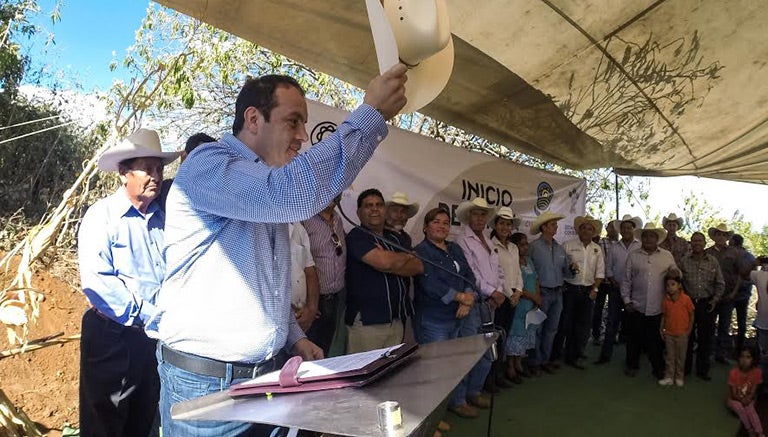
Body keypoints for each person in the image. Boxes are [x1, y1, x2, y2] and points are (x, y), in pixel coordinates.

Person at [150, 66, 409, 436]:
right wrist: (371, 114)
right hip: (207, 386)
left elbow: (263, 285)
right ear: (253, 119)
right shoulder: (208, 164)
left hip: (263, 379)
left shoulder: (261, 188)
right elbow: (291, 192)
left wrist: (294, 336)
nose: (303, 136)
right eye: (293, 122)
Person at [77, 128, 180, 436]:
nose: (156, 176)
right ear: (124, 173)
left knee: (143, 416)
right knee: (104, 422)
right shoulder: (102, 217)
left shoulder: (164, 217)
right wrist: (151, 316)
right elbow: (99, 282)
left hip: (152, 338)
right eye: (147, 169)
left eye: (159, 169)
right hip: (113, 337)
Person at [412, 207, 487, 419]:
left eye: (445, 223)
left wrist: (468, 297)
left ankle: (457, 402)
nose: (441, 226)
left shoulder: (454, 248)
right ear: (425, 227)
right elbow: (429, 283)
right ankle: (433, 417)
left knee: (456, 364)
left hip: (459, 316)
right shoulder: (420, 251)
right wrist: (459, 297)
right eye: (436, 222)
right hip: (434, 319)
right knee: (434, 370)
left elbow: (469, 275)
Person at [345, 188, 422, 353]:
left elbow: (418, 266)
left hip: (396, 318)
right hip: (368, 321)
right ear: (359, 212)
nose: (374, 209)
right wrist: (406, 256)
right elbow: (384, 262)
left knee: (391, 372)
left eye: (379, 205)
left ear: (384, 210)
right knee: (365, 373)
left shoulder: (396, 237)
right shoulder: (356, 236)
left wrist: (392, 261)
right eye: (368, 205)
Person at [455, 197, 505, 394]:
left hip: (490, 304)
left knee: (485, 350)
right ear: (468, 216)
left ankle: (475, 391)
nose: (479, 218)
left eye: (483, 214)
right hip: (475, 303)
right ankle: (462, 398)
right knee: (469, 352)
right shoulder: (462, 240)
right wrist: (493, 292)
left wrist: (499, 291)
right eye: (475, 214)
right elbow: (471, 273)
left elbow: (499, 270)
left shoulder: (489, 240)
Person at [622, 223, 678, 379]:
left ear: (657, 238)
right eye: (645, 236)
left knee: (656, 341)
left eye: (652, 236)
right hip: (637, 306)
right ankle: (631, 365)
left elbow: (676, 274)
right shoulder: (633, 255)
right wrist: (627, 301)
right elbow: (626, 280)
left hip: (658, 307)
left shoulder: (667, 255)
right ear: (642, 238)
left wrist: (675, 272)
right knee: (633, 339)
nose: (648, 239)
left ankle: (658, 368)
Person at [556, 215, 604, 369]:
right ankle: (566, 354)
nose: (586, 231)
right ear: (578, 230)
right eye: (583, 228)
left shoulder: (597, 249)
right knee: (567, 323)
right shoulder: (567, 245)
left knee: (584, 325)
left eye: (590, 229)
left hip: (588, 291)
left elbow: (600, 273)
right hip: (570, 290)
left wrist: (595, 289)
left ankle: (578, 353)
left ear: (593, 232)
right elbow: (560, 268)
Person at [302, 195, 347, 356]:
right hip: (314, 302)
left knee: (325, 352)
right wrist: (309, 303)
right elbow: (298, 262)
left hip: (336, 298)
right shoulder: (304, 219)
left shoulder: (337, 219)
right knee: (310, 354)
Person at [528, 211, 570, 375]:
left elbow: (567, 271)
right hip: (542, 293)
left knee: (552, 329)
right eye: (552, 224)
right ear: (544, 227)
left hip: (558, 293)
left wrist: (572, 269)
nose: (556, 226)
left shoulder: (560, 248)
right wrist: (535, 294)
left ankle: (545, 360)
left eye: (555, 224)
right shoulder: (533, 247)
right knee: (537, 329)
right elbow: (528, 271)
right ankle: (534, 362)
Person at [678, 231, 724, 380]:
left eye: (700, 241)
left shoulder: (713, 261)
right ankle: (685, 369)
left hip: (706, 304)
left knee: (706, 338)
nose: (697, 243)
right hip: (688, 304)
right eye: (694, 241)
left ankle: (702, 370)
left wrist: (715, 300)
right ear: (690, 243)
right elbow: (678, 282)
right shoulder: (684, 261)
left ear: (705, 244)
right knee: (688, 337)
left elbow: (720, 283)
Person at [595, 215, 641, 364]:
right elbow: (608, 268)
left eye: (629, 228)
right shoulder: (614, 248)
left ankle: (633, 359)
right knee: (612, 323)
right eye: (624, 228)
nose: (626, 230)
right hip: (616, 290)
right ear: (620, 230)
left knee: (634, 326)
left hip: (635, 292)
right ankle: (605, 356)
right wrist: (615, 282)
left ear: (633, 229)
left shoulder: (639, 246)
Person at [489, 206, 524, 387]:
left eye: (508, 224)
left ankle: (500, 375)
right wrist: (508, 294)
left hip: (512, 298)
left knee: (505, 337)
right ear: (495, 225)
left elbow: (517, 272)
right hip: (498, 298)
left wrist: (518, 291)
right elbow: (493, 274)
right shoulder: (490, 245)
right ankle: (490, 378)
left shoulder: (513, 247)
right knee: (494, 339)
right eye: (501, 223)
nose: (505, 227)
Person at [505, 232, 542, 383]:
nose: (525, 247)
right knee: (515, 334)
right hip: (519, 303)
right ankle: (510, 366)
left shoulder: (529, 261)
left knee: (526, 334)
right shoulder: (513, 262)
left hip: (531, 305)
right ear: (515, 246)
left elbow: (536, 280)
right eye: (522, 244)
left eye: (526, 244)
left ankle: (519, 362)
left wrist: (538, 297)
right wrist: (532, 296)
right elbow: (514, 284)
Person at [707, 223, 743, 363]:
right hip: (711, 295)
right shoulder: (708, 252)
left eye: (724, 234)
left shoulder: (734, 252)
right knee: (709, 325)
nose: (721, 237)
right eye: (719, 234)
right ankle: (708, 353)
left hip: (728, 296)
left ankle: (721, 355)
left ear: (727, 237)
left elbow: (740, 273)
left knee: (724, 325)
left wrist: (734, 292)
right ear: (714, 236)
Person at [658, 275, 694, 387]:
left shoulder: (686, 299)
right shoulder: (666, 301)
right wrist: (661, 328)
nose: (670, 287)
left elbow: (691, 315)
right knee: (670, 356)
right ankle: (669, 376)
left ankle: (679, 377)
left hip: (682, 333)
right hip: (669, 333)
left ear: (679, 285)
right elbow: (664, 316)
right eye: (668, 285)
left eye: (673, 284)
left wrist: (689, 330)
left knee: (680, 357)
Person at [288, 222, 320, 333]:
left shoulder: (297, 227)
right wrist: (291, 313)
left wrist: (311, 310)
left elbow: (310, 271)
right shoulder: (259, 230)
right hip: (277, 319)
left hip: (304, 318)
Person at [727, 346, 764, 437]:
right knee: (739, 406)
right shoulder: (734, 372)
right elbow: (733, 394)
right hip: (734, 400)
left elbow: (754, 391)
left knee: (750, 409)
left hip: (748, 399)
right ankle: (749, 429)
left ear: (753, 359)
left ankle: (760, 432)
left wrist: (748, 399)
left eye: (748, 357)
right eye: (742, 357)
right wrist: (741, 400)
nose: (744, 360)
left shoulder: (757, 372)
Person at [730, 234, 758, 354]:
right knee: (741, 322)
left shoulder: (732, 255)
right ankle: (738, 349)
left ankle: (731, 348)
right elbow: (753, 276)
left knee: (727, 321)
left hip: (735, 293)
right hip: (743, 293)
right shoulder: (751, 257)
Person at [592, 219, 618, 344]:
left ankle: (612, 335)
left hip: (616, 283)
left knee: (614, 310)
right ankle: (596, 334)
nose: (612, 229)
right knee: (598, 308)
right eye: (610, 227)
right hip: (602, 282)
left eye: (614, 227)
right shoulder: (602, 243)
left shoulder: (621, 244)